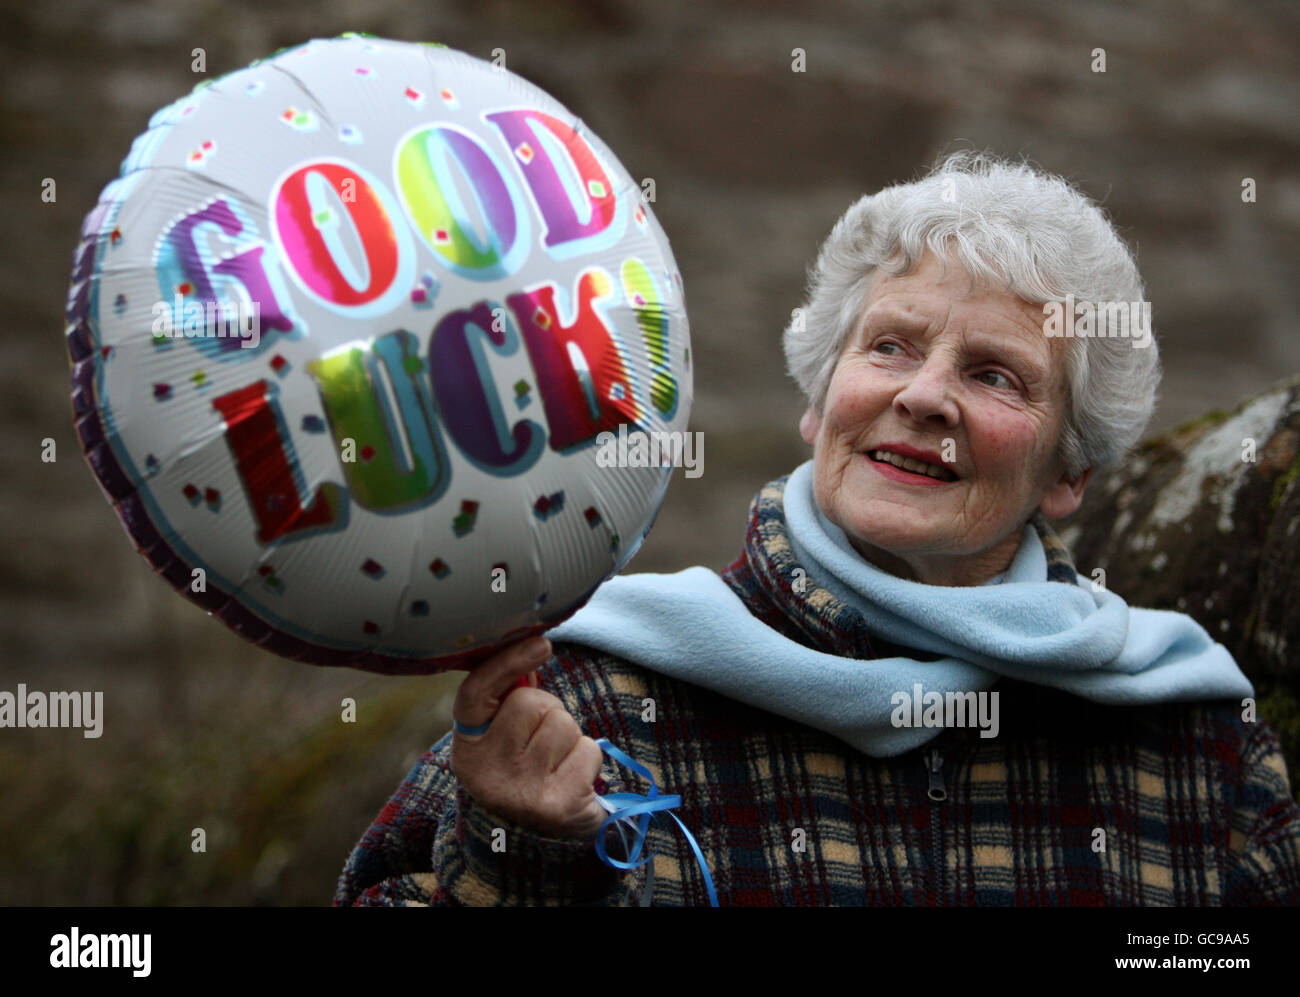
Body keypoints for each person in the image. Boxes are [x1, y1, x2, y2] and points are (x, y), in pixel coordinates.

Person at [334, 151, 1300, 906]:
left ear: (1069, 471)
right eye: (890, 346)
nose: (924, 396)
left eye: (994, 374)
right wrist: (520, 854)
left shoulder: (1192, 749)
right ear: (818, 400)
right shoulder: (591, 693)